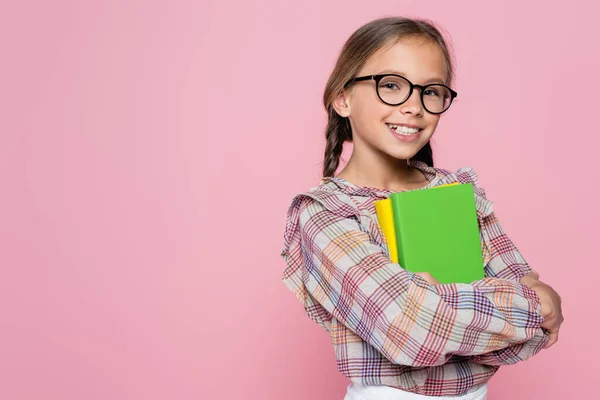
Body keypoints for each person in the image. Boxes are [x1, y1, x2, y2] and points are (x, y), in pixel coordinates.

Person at [279, 17, 563, 400]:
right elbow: (414, 328)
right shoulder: (324, 213)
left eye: (430, 91)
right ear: (342, 98)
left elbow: (540, 311)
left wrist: (440, 299)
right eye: (391, 85)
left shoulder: (456, 191)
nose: (414, 107)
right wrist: (515, 306)